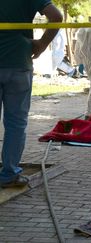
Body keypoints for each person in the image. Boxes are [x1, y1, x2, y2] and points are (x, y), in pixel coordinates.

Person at [0, 0, 62, 188]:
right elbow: (57, 17)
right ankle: (9, 173)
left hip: (18, 61)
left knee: (16, 123)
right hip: (19, 62)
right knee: (16, 123)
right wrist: (42, 45)